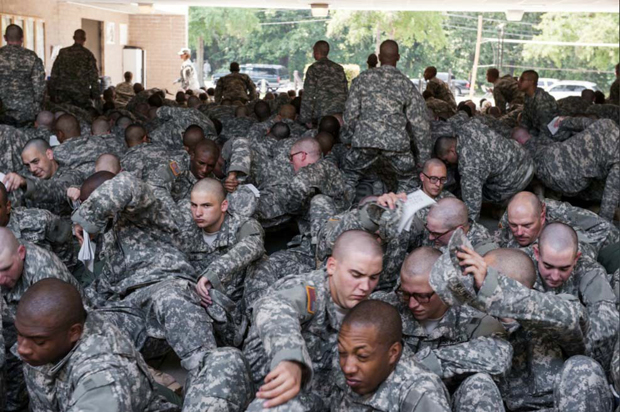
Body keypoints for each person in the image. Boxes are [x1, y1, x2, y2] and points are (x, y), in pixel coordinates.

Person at [433, 234, 613, 412]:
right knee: (476, 384)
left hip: (564, 404)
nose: (479, 287)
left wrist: (494, 286)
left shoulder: (556, 308)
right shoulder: (475, 320)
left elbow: (570, 318)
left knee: (582, 366)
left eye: (484, 280)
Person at [243, 230, 383, 411]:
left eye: (373, 277)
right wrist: (290, 359)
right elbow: (273, 306)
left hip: (315, 401)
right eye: (356, 275)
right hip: (264, 388)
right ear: (332, 266)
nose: (365, 287)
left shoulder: (369, 312)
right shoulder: (309, 291)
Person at [373, 247, 510, 412]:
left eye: (422, 296)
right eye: (405, 293)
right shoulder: (385, 307)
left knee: (481, 383)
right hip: (401, 401)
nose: (412, 304)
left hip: (454, 401)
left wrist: (425, 363)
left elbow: (500, 355)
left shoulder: (471, 314)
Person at [16, 278, 180, 412]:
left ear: (74, 332)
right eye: (19, 334)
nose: (22, 348)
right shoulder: (49, 333)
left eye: (39, 341)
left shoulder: (103, 376)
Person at [0, 228, 83, 411]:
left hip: (50, 334)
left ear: (21, 253)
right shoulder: (4, 272)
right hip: (15, 327)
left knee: (39, 378)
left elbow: (56, 334)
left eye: (5, 269)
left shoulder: (45, 273)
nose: (1, 279)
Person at [330, 299, 451, 411]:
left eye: (362, 356)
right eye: (342, 353)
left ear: (393, 353)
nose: (347, 368)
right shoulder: (344, 361)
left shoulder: (420, 392)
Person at [343, 40, 430, 194]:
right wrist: (423, 159)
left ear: (379, 57)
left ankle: (342, 214)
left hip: (364, 141)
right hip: (396, 144)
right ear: (398, 57)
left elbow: (350, 115)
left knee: (350, 176)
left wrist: (349, 139)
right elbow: (420, 125)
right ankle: (403, 214)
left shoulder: (362, 79)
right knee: (408, 180)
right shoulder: (406, 84)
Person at [532, 223, 619, 372]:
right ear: (536, 253)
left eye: (564, 268)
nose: (554, 276)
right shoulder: (520, 263)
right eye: (547, 266)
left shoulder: (589, 270)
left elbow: (607, 324)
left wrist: (570, 333)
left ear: (576, 258)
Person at [513, 119, 619, 222]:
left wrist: (562, 122)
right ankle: (542, 204)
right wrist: (605, 225)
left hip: (553, 153)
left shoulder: (607, 124)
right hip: (563, 179)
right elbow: (610, 199)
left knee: (532, 149)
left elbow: (576, 122)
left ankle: (539, 187)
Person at [434, 117, 534, 220]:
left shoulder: (469, 165)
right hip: (526, 159)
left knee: (462, 194)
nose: (447, 163)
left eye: (446, 160)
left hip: (516, 179)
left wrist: (468, 224)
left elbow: (473, 206)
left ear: (452, 151)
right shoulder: (468, 126)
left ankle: (504, 209)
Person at [495, 191, 619, 258]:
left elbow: (605, 228)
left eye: (527, 225)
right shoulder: (511, 215)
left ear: (542, 215)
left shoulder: (561, 212)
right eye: (514, 225)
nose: (519, 232)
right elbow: (498, 239)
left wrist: (586, 247)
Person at [2, 138, 83, 217]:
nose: (32, 169)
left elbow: (58, 190)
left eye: (35, 161)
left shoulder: (72, 175)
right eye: (27, 165)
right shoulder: (27, 176)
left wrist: (26, 184)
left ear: (49, 154)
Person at [0, 24, 45, 124]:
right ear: (22, 38)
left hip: (3, 111)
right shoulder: (31, 56)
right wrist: (37, 108)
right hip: (27, 112)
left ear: (5, 38)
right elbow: (39, 86)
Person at [299, 40, 348, 125]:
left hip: (323, 112)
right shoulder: (338, 68)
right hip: (340, 112)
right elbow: (346, 91)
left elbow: (308, 95)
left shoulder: (314, 69)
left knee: (324, 137)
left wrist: (305, 119)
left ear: (316, 51)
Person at [423, 197, 497, 253]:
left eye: (436, 234)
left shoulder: (482, 253)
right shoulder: (437, 228)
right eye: (429, 230)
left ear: (459, 231)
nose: (430, 237)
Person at [50, 29, 100, 107]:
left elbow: (54, 73)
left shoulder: (63, 52)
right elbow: (94, 77)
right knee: (80, 116)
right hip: (80, 93)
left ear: (73, 38)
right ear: (84, 39)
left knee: (64, 115)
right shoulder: (88, 55)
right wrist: (96, 95)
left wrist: (52, 92)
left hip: (63, 93)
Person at [517, 70, 559, 139]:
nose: (518, 82)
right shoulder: (527, 96)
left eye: (521, 79)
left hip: (552, 136)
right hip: (537, 130)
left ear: (531, 82)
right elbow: (525, 120)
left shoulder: (542, 100)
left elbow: (546, 130)